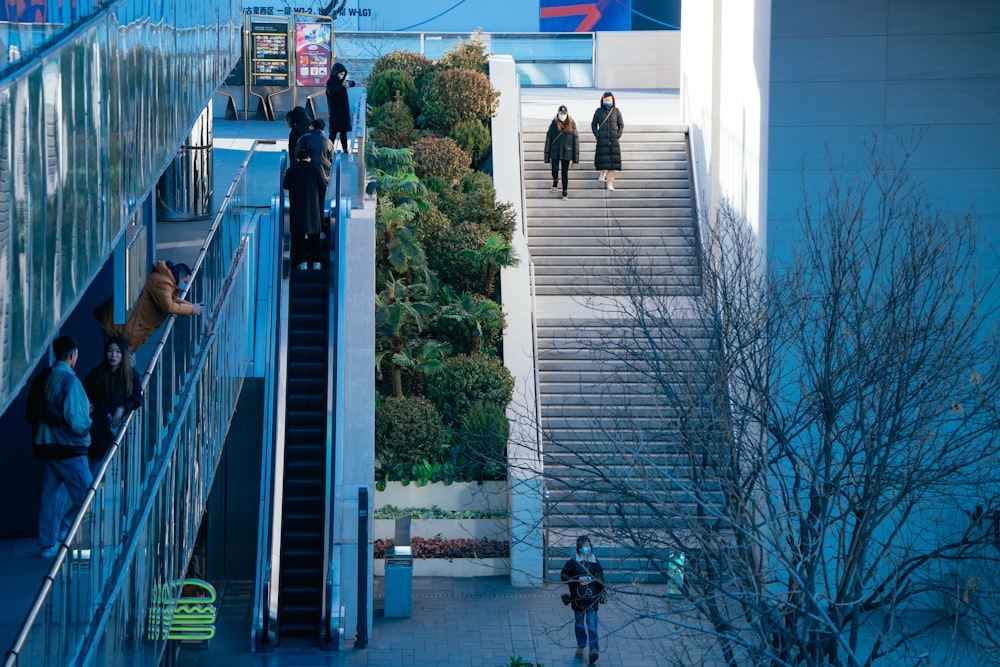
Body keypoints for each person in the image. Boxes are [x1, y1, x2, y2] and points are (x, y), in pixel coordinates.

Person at [33, 335, 93, 558]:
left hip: (48, 444)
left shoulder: (46, 377)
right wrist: (89, 418)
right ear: (72, 355)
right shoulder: (70, 381)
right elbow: (77, 421)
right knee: (88, 497)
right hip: (69, 447)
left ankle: (48, 543)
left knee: (51, 494)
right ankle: (65, 533)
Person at [92, 261, 205, 352]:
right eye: (185, 282)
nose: (184, 286)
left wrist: (191, 306)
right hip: (114, 326)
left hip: (117, 324)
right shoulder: (163, 282)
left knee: (118, 360)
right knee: (117, 359)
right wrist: (192, 309)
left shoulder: (164, 280)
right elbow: (169, 306)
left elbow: (172, 300)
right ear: (180, 277)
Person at [83, 336, 142, 473]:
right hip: (94, 426)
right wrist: (89, 405)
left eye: (118, 351)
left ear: (123, 354)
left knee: (100, 467)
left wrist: (122, 408)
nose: (113, 355)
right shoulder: (97, 373)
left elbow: (137, 398)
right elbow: (84, 391)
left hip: (113, 427)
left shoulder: (131, 375)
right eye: (110, 351)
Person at [561, 535, 605, 663]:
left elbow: (601, 578)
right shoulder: (573, 562)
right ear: (579, 548)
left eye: (588, 545)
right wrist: (577, 580)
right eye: (585, 546)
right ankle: (581, 645)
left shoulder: (595, 562)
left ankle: (593, 650)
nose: (587, 548)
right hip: (578, 599)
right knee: (579, 624)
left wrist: (600, 590)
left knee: (592, 624)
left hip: (592, 599)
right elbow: (564, 576)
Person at [282, 152, 326, 270]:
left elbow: (285, 185)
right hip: (313, 208)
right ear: (309, 158)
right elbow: (322, 185)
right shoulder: (316, 169)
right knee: (314, 236)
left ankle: (302, 263)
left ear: (297, 158)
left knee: (299, 236)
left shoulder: (292, 170)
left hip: (297, 207)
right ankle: (316, 262)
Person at [295, 118, 335, 215]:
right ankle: (320, 226)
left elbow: (297, 155)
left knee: (306, 202)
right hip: (323, 176)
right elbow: (331, 159)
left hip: (306, 175)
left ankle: (306, 225)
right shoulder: (328, 142)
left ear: (312, 126)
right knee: (320, 202)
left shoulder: (304, 138)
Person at [544, 104, 580, 200]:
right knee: (554, 170)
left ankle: (565, 191)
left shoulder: (572, 124)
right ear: (558, 113)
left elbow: (575, 141)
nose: (562, 115)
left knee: (565, 173)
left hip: (566, 152)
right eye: (561, 113)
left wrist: (575, 157)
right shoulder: (553, 124)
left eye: (564, 113)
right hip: (555, 151)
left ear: (567, 113)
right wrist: (546, 156)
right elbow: (548, 140)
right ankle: (555, 181)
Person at [591, 91, 624, 191]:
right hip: (602, 140)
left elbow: (621, 124)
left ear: (613, 100)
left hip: (613, 141)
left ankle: (610, 182)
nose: (608, 102)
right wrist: (598, 135)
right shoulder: (598, 111)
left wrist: (617, 135)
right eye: (606, 100)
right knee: (602, 159)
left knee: (613, 163)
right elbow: (593, 124)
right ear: (603, 100)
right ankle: (602, 173)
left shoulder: (616, 111)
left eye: (609, 100)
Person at [326, 62, 356, 154]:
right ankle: (329, 149)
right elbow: (332, 92)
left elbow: (353, 83)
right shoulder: (330, 82)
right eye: (340, 74)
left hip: (343, 111)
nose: (342, 76)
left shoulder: (343, 82)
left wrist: (348, 83)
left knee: (343, 133)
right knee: (333, 133)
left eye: (343, 74)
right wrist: (343, 87)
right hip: (335, 111)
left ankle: (345, 149)